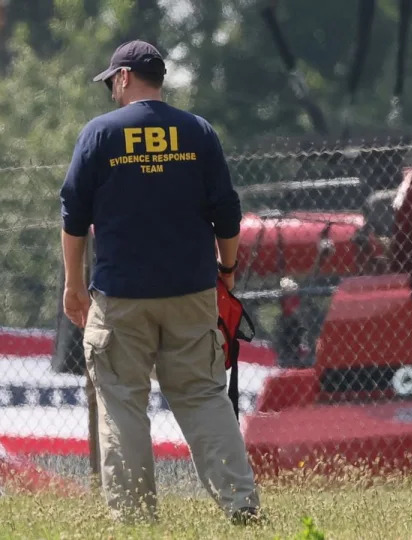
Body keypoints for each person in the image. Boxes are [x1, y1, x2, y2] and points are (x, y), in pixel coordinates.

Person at [58, 39, 261, 525]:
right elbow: (227, 213)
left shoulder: (99, 135)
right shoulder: (198, 132)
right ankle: (241, 505)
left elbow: (72, 216)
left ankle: (135, 520)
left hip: (121, 297)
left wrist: (74, 285)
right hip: (190, 293)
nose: (110, 92)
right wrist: (226, 271)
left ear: (125, 77)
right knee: (203, 396)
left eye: (111, 82)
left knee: (122, 401)